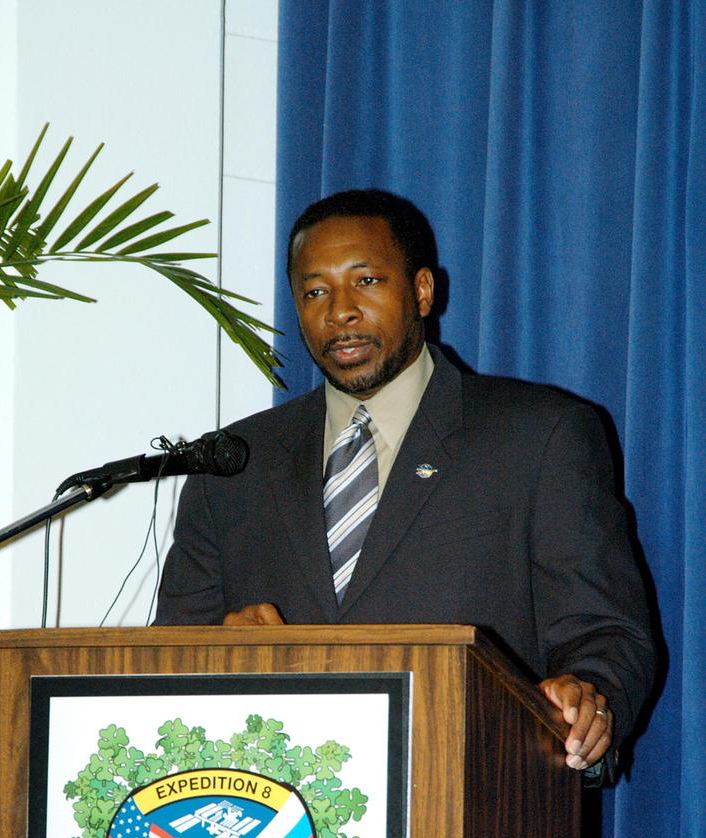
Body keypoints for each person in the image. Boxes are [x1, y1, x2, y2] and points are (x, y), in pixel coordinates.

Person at [155, 189, 654, 778]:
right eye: (315, 291)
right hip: (271, 812)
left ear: (421, 291)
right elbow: (168, 660)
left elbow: (605, 633)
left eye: (365, 281)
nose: (340, 311)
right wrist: (215, 649)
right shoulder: (230, 466)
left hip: (475, 792)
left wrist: (589, 698)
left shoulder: (538, 437)